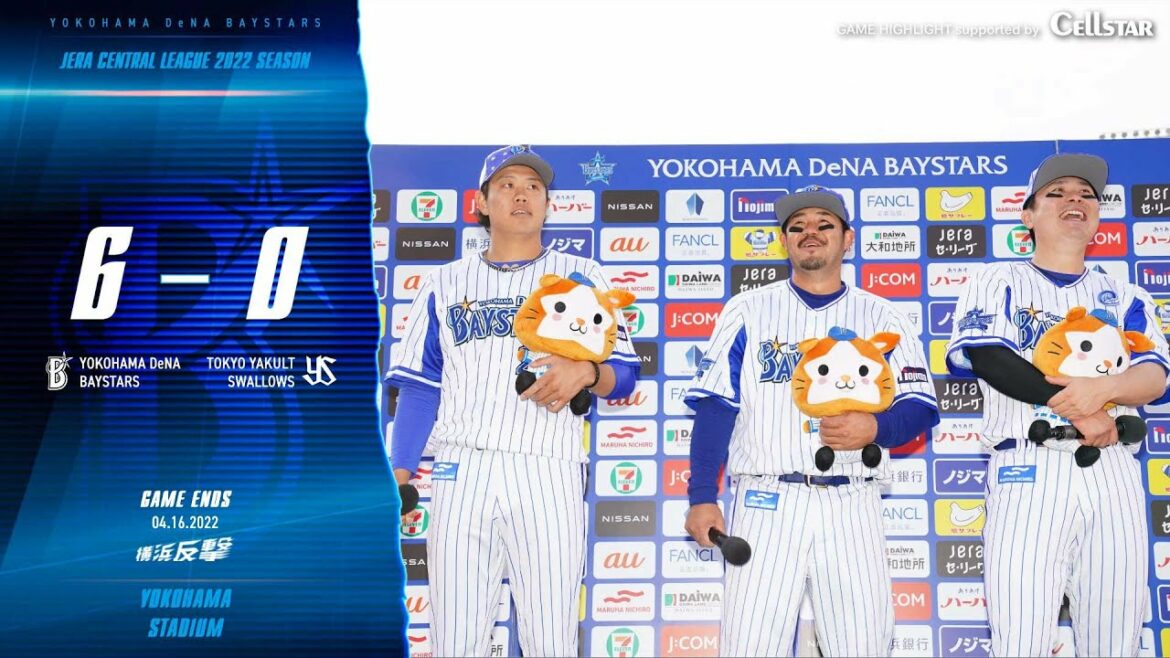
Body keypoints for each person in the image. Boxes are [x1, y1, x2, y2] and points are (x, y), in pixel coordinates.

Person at [386, 145, 640, 656]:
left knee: (551, 637)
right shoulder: (443, 282)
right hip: (462, 468)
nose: (521, 194)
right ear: (481, 203)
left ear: (548, 204)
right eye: (506, 185)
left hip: (547, 466)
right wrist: (400, 471)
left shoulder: (581, 274)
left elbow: (626, 375)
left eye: (533, 186)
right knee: (456, 637)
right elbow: (420, 386)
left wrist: (588, 371)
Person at [683, 185, 939, 657]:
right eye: (797, 227)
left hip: (852, 500)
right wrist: (702, 496)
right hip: (767, 499)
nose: (810, 233)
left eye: (824, 224)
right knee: (750, 646)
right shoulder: (748, 310)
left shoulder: (883, 315)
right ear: (784, 241)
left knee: (862, 646)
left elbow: (920, 405)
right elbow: (717, 407)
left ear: (848, 239)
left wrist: (876, 428)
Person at [946, 153, 1169, 657]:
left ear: (1098, 214)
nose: (1076, 200)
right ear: (1028, 215)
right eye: (1058, 193)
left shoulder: (1125, 294)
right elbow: (989, 356)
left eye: (1087, 194)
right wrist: (1081, 407)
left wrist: (1102, 392)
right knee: (1021, 638)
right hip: (1029, 468)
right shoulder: (997, 279)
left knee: (1115, 639)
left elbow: (1155, 377)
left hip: (1112, 470)